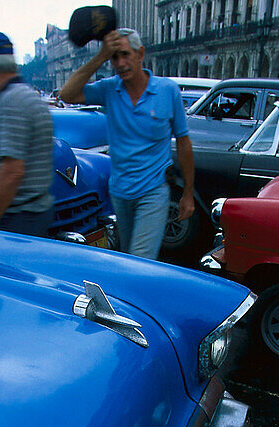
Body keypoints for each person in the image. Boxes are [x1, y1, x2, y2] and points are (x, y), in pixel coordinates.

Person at [59, 28, 194, 260]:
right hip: (120, 192)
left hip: (153, 191)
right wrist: (100, 56)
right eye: (114, 57)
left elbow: (183, 142)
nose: (120, 63)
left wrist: (188, 194)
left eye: (125, 54)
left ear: (140, 54)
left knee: (140, 259)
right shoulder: (110, 89)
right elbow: (67, 94)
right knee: (126, 258)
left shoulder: (167, 90)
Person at [0, 31, 55, 236]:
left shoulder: (11, 102)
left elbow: (13, 172)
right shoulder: (28, 95)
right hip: (34, 214)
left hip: (16, 220)